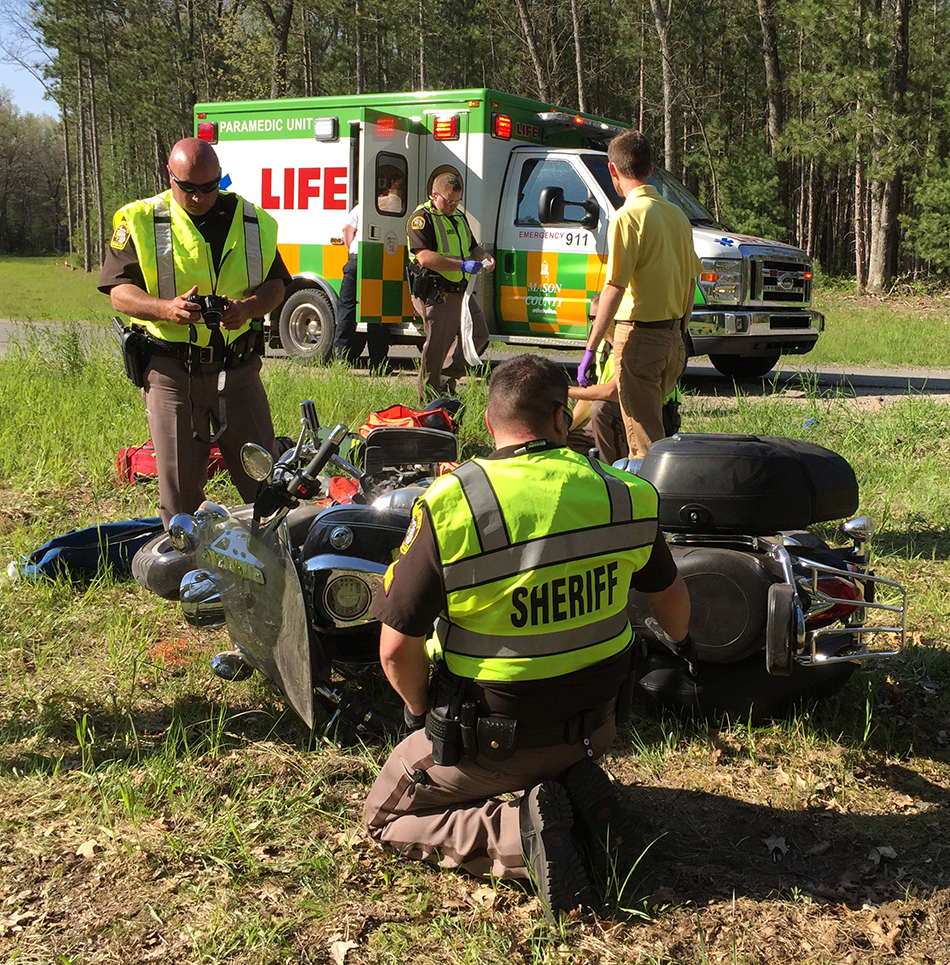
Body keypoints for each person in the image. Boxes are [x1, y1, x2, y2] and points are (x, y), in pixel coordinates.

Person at [364, 354, 691, 919]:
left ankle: (520, 835)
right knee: (559, 759)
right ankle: (576, 805)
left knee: (382, 816)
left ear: (489, 426)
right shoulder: (626, 496)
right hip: (598, 726)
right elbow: (679, 620)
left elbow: (395, 650)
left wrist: (421, 716)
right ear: (565, 421)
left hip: (491, 739)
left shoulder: (455, 504)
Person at [99, 137, 290, 527]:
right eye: (187, 188)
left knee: (263, 480)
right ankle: (188, 576)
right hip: (172, 372)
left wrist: (248, 309)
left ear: (219, 178)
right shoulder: (140, 219)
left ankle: (272, 567)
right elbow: (118, 293)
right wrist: (165, 309)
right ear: (169, 177)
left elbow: (276, 284)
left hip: (237, 371)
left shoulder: (252, 220)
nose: (199, 197)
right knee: (181, 496)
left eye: (209, 187)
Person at [578, 130, 700, 462]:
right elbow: (691, 282)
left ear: (612, 170)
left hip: (640, 339)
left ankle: (650, 509)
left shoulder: (627, 216)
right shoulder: (677, 215)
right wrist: (681, 331)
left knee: (644, 446)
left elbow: (614, 286)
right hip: (673, 339)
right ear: (649, 169)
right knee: (646, 426)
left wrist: (590, 349)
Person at [407, 172, 494, 402]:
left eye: (458, 201)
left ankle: (446, 380)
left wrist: (485, 256)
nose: (454, 205)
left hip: (460, 289)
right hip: (436, 291)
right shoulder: (421, 219)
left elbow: (473, 247)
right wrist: (462, 265)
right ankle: (429, 400)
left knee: (479, 333)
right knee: (437, 346)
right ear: (434, 195)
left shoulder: (458, 217)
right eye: (448, 200)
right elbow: (424, 257)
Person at [335, 199, 393, 369]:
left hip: (355, 259)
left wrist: (351, 250)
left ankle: (340, 360)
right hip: (377, 261)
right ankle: (378, 363)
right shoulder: (392, 210)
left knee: (347, 309)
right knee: (377, 313)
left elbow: (346, 229)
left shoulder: (363, 206)